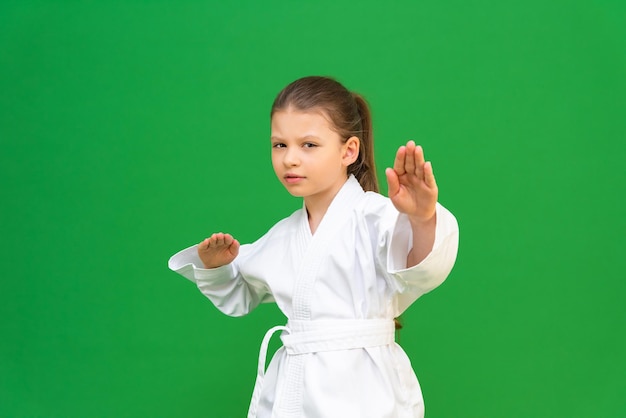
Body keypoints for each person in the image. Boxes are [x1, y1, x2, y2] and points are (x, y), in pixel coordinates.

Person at [168, 76, 459, 418]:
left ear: (348, 150)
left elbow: (419, 270)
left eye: (308, 145)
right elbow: (239, 292)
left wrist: (423, 218)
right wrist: (217, 266)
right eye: (280, 145)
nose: (290, 159)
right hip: (294, 388)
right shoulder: (281, 236)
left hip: (364, 392)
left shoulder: (376, 217)